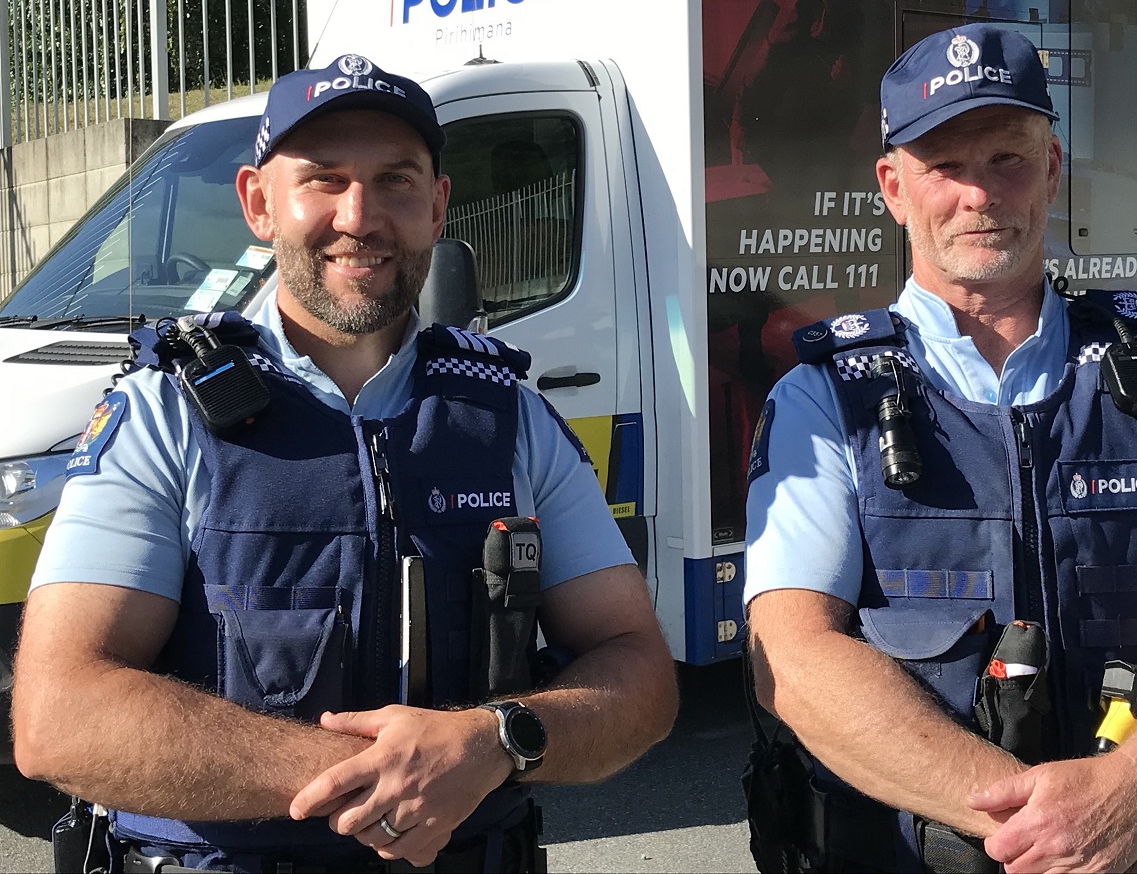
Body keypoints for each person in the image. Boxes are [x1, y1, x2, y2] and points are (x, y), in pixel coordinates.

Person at [12, 54, 677, 873]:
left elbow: (640, 672)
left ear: (437, 208)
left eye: (395, 180)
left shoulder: (510, 417)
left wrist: (495, 739)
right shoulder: (164, 415)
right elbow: (58, 715)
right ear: (260, 203)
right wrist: (381, 778)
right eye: (323, 179)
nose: (359, 215)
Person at [742, 24, 1137, 874]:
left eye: (1007, 158)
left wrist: (1126, 793)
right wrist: (1057, 838)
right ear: (893, 187)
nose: (979, 194)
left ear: (1051, 169)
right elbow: (790, 660)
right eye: (945, 165)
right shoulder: (824, 397)